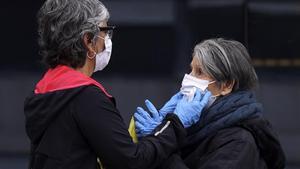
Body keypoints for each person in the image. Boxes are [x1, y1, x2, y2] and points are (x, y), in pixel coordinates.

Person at [23, 0, 212, 169]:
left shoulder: (43, 91)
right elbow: (132, 160)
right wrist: (175, 123)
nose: (108, 40)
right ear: (88, 41)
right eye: (105, 31)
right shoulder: (85, 98)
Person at [134, 38, 286, 169]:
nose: (188, 78)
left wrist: (163, 149)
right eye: (191, 70)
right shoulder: (195, 125)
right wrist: (162, 136)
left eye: (199, 72)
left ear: (226, 85)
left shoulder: (238, 143)